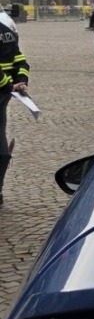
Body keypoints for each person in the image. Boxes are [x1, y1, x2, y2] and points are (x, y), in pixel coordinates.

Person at [0, 12, 29, 207]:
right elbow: (20, 59)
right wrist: (19, 80)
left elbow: (18, 59)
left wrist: (12, 84)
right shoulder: (7, 30)